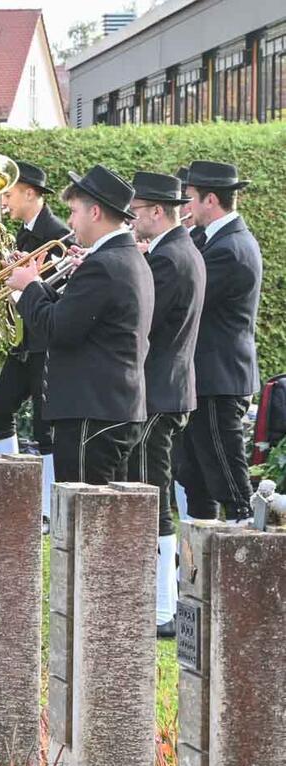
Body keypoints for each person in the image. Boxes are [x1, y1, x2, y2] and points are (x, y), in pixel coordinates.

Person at [7, 165, 153, 484]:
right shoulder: (123, 257)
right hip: (109, 408)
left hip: (92, 412)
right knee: (105, 522)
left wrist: (30, 286)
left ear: (96, 212)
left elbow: (58, 330)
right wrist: (39, 284)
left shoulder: (104, 265)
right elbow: (75, 315)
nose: (70, 222)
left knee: (83, 519)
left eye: (74, 212)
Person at [126, 171, 205, 638]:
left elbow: (144, 321)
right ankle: (161, 601)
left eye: (136, 212)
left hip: (160, 392)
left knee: (155, 497)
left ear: (158, 211)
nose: (132, 220)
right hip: (169, 389)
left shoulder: (170, 259)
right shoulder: (175, 251)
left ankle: (163, 609)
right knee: (155, 490)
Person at [177, 161, 262, 524]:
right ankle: (197, 573)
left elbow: (186, 299)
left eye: (191, 199)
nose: (186, 209)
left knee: (230, 486)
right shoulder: (210, 238)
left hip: (219, 379)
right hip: (207, 377)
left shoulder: (231, 249)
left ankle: (244, 564)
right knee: (196, 480)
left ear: (211, 200)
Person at [0, 162, 72, 523]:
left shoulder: (59, 235)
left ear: (31, 194)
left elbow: (60, 295)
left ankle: (48, 510)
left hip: (45, 345)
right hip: (22, 343)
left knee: (44, 427)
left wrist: (28, 281)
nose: (4, 200)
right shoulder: (19, 235)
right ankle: (10, 496)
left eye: (9, 193)